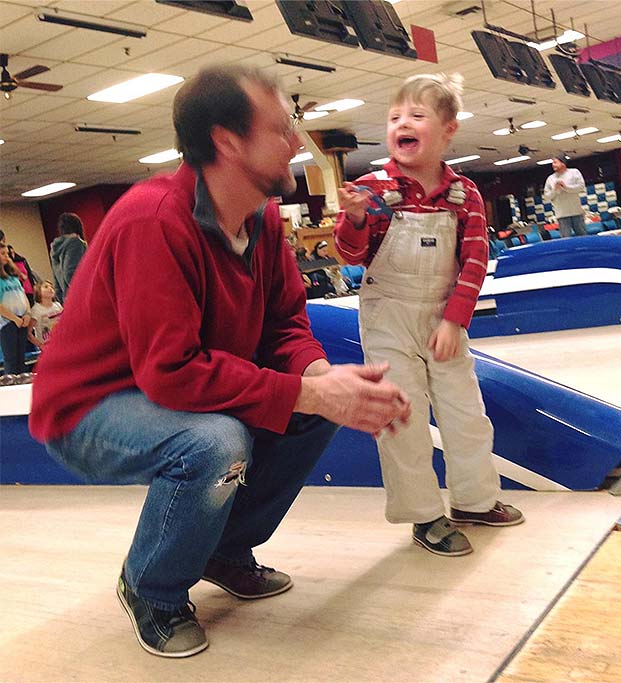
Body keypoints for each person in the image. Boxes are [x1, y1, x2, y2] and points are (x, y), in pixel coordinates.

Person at [29, 64, 410, 659]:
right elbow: (171, 371)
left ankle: (222, 551)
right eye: (282, 129)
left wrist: (318, 378)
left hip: (165, 391)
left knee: (315, 407)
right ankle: (151, 586)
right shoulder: (153, 220)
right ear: (228, 142)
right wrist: (305, 392)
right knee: (214, 441)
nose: (295, 143)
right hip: (86, 408)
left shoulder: (258, 221)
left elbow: (285, 324)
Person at [335, 72, 523, 558]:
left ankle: (475, 500)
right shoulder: (371, 189)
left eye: (417, 115)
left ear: (448, 130)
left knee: (467, 415)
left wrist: (455, 319)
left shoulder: (466, 196)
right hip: (388, 318)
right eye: (395, 116)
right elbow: (350, 255)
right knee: (405, 418)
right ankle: (423, 515)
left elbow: (475, 260)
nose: (403, 123)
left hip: (445, 319)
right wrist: (354, 220)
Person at [0, 243, 31, 375]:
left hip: (22, 320)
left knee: (21, 360)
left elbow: (23, 296)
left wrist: (28, 314)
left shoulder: (13, 277)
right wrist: (13, 318)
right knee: (11, 360)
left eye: (7, 254)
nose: (7, 257)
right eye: (3, 254)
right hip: (8, 323)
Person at [542, 154, 587, 238]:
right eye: (552, 163)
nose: (553, 165)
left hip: (576, 212)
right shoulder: (550, 179)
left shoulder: (574, 172)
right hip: (561, 215)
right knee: (566, 239)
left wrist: (566, 187)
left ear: (563, 163)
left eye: (555, 162)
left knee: (582, 237)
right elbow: (546, 197)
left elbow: (581, 187)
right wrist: (555, 190)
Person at [50, 212, 87, 301]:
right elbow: (70, 273)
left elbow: (56, 280)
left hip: (67, 298)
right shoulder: (76, 243)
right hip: (80, 296)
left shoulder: (55, 248)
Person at [27, 280, 63, 351]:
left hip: (61, 342)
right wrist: (40, 345)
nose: (50, 289)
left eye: (52, 287)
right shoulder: (36, 310)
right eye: (46, 287)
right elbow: (29, 333)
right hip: (47, 345)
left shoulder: (58, 306)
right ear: (38, 292)